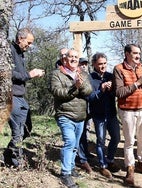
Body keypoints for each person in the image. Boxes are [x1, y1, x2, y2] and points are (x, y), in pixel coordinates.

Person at [49, 49, 92, 188]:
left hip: (80, 116)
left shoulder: (83, 73)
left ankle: (71, 167)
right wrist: (75, 87)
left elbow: (88, 91)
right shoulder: (57, 74)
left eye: (76, 57)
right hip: (65, 114)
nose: (73, 59)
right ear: (64, 59)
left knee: (75, 145)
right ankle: (65, 174)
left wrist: (81, 85)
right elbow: (57, 92)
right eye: (71, 57)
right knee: (70, 142)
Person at [3, 28, 45, 167]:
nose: (30, 45)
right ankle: (17, 163)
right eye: (28, 42)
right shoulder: (9, 50)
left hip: (20, 97)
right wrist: (29, 74)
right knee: (18, 132)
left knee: (27, 127)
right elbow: (7, 73)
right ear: (20, 38)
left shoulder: (21, 53)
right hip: (12, 97)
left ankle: (8, 154)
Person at [113, 44, 142, 186]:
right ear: (127, 54)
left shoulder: (141, 67)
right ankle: (130, 169)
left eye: (139, 53)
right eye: (135, 53)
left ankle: (141, 163)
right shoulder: (118, 69)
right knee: (129, 141)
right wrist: (139, 82)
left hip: (141, 109)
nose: (138, 56)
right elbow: (119, 92)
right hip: (127, 110)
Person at [87, 52, 120, 178]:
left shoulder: (111, 76)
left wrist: (112, 89)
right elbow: (89, 97)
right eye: (100, 64)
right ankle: (103, 165)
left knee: (116, 137)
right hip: (98, 114)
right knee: (100, 141)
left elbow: (116, 94)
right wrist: (100, 90)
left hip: (111, 113)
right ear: (94, 64)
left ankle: (110, 160)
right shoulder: (90, 78)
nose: (103, 66)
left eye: (105, 63)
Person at [75, 57, 94, 174]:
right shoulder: (76, 75)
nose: (83, 65)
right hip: (79, 109)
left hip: (88, 109)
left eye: (85, 63)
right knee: (80, 134)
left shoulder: (88, 75)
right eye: (81, 63)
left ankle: (85, 153)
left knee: (85, 131)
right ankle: (81, 158)